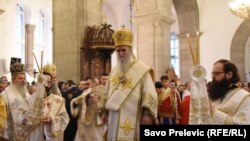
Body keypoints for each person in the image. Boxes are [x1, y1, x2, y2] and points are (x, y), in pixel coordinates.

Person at [98, 27, 158, 141]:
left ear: (130, 50)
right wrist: (104, 112)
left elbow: (149, 93)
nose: (121, 53)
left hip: (134, 117)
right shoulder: (114, 71)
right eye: (118, 51)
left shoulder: (142, 70)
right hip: (113, 116)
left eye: (123, 50)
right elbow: (106, 93)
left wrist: (146, 115)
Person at [0, 60, 42, 140]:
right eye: (20, 78)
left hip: (28, 134)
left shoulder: (26, 92)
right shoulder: (4, 95)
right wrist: (4, 136)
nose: (23, 80)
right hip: (11, 136)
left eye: (24, 78)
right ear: (13, 79)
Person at [208, 59, 250, 124]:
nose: (213, 77)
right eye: (212, 74)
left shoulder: (245, 98)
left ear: (229, 74)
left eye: (216, 73)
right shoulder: (214, 94)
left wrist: (213, 113)